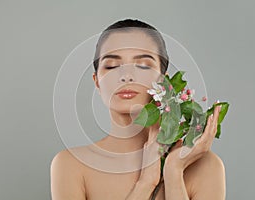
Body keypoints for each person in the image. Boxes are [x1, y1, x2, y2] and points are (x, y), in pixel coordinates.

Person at [50, 18, 226, 200]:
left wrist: (174, 172)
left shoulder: (206, 166)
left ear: (164, 82)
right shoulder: (71, 165)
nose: (126, 75)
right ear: (97, 81)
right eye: (112, 66)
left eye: (143, 65)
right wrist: (146, 182)